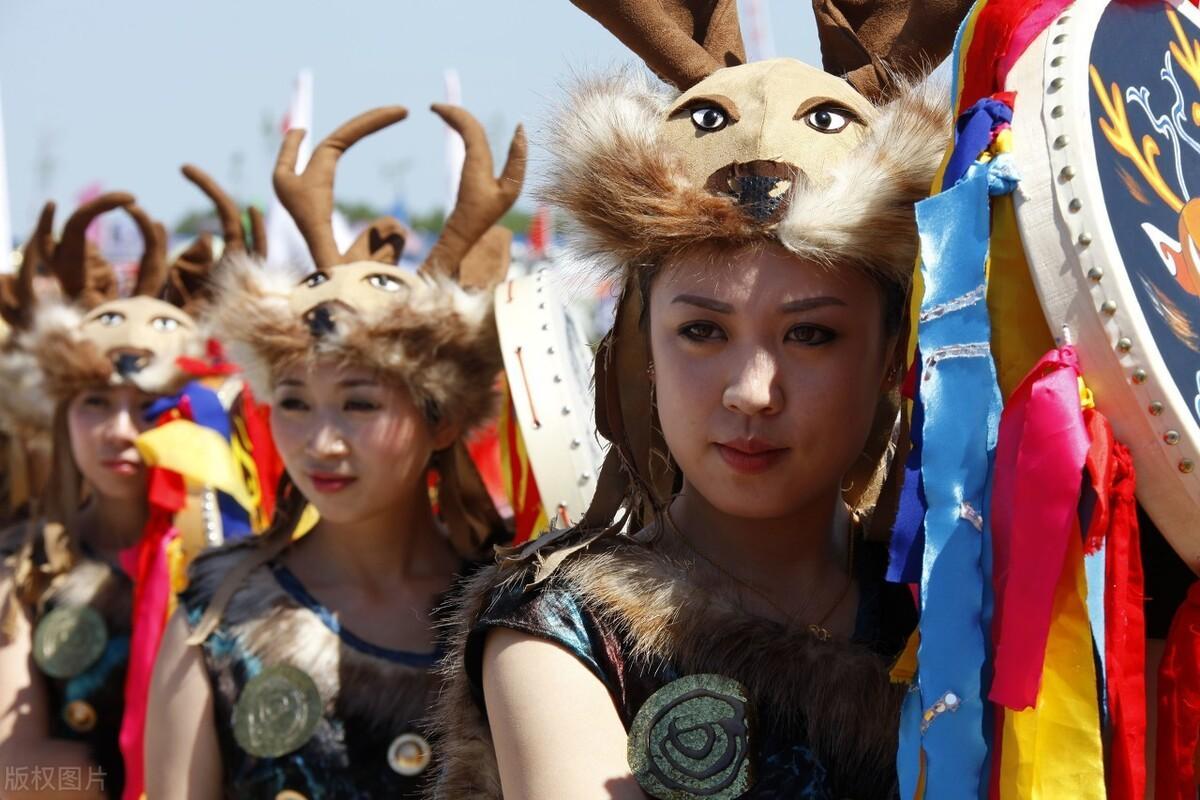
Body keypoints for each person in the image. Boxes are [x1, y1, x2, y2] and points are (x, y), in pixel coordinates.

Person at [427, 1, 971, 797]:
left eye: (811, 335)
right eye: (703, 333)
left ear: (894, 354)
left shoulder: (955, 612)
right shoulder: (561, 633)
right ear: (642, 347)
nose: (752, 392)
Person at [145, 104, 525, 799]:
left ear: (441, 418)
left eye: (360, 403)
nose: (321, 442)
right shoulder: (218, 613)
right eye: (293, 403)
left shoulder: (519, 612)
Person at [0, 193, 203, 799]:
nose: (121, 431)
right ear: (59, 417)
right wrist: (143, 778)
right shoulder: (23, 571)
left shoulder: (246, 568)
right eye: (95, 403)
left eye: (147, 407)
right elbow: (14, 771)